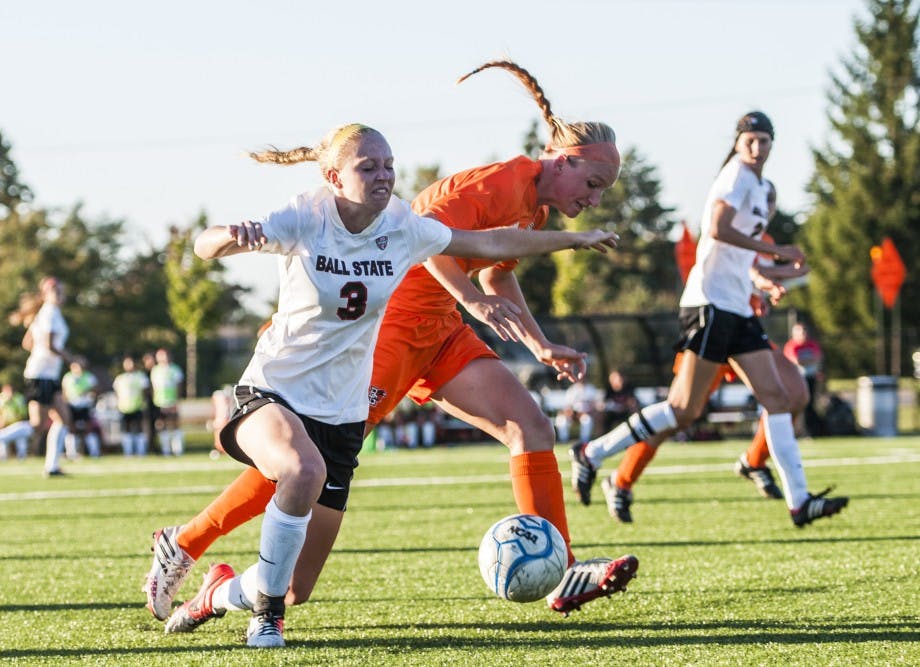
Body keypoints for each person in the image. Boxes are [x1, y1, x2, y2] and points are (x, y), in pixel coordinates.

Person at [143, 120, 622, 649]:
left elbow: (492, 261)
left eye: (388, 165)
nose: (596, 199)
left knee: (529, 426)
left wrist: (538, 338)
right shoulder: (492, 183)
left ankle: (562, 570)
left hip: (438, 332)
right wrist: (474, 300)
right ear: (564, 161)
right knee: (300, 463)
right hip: (387, 332)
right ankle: (186, 542)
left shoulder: (522, 208)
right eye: (594, 183)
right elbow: (438, 242)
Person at [570, 111, 848, 529]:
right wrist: (780, 253)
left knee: (781, 399)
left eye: (764, 141)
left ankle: (799, 500)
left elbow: (744, 259)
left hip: (735, 308)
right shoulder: (736, 177)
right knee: (683, 410)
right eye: (750, 140)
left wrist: (775, 274)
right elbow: (717, 229)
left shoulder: (756, 186)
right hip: (709, 305)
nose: (757, 148)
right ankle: (592, 455)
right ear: (738, 143)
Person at [11, 277, 75, 477]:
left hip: (48, 374)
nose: (60, 295)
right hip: (41, 375)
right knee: (37, 425)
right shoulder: (48, 312)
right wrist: (72, 359)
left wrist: (39, 352)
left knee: (63, 419)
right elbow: (49, 345)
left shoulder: (46, 313)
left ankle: (52, 466)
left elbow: (27, 343)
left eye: (61, 292)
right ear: (46, 294)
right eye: (57, 292)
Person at [783, 323, 825, 436]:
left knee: (810, 404)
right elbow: (797, 361)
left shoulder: (812, 344)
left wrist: (806, 361)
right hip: (797, 380)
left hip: (811, 378)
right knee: (798, 405)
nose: (803, 334)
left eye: (804, 331)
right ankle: (795, 431)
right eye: (800, 332)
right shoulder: (791, 346)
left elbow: (817, 358)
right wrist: (809, 361)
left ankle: (812, 431)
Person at [62, 359, 102, 458]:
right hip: (71, 406)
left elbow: (96, 389)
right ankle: (71, 453)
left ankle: (94, 452)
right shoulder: (67, 377)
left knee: (88, 429)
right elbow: (64, 392)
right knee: (71, 429)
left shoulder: (88, 376)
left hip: (85, 406)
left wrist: (86, 392)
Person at [0, 383, 34, 461]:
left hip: (18, 425)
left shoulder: (19, 398)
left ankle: (21, 457)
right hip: (6, 426)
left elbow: (22, 416)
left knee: (20, 438)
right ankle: (2, 458)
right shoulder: (0, 399)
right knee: (0, 440)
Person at [150, 348, 185, 456]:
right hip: (159, 402)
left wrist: (176, 401)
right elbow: (153, 387)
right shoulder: (155, 370)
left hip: (172, 401)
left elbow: (179, 386)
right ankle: (166, 450)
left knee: (174, 424)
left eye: (164, 355)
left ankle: (177, 450)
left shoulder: (175, 369)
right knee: (161, 425)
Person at [113, 355, 149, 456]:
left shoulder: (141, 377)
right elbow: (117, 393)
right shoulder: (120, 378)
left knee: (139, 429)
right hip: (124, 408)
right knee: (126, 430)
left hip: (138, 407)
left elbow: (145, 392)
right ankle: (128, 452)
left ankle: (141, 452)